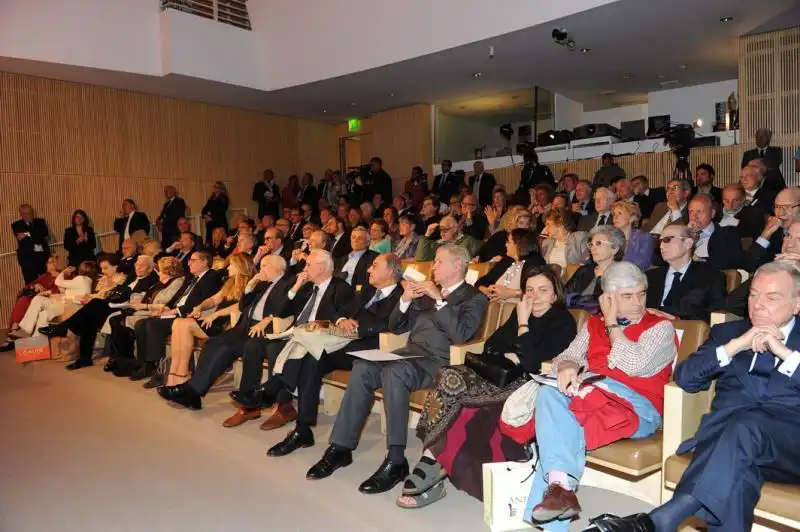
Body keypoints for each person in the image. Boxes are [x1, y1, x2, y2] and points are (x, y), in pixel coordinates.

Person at [589, 261, 800, 532]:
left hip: (789, 448)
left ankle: (657, 521)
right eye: (754, 294)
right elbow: (686, 378)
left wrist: (784, 354)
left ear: (796, 304)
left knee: (746, 426)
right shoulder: (728, 334)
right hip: (730, 445)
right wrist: (735, 347)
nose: (758, 304)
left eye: (771, 297)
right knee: (739, 475)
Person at [305, 245, 489, 493]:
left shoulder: (474, 298)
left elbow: (462, 334)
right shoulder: (423, 294)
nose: (433, 266)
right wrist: (404, 301)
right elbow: (395, 326)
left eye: (438, 262)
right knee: (363, 367)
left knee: (394, 371)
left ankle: (396, 459)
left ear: (457, 266)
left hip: (441, 362)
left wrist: (439, 299)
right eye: (433, 262)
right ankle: (340, 448)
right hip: (408, 353)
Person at [398, 267, 577, 507]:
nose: (535, 296)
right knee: (448, 375)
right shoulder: (519, 312)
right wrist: (514, 351)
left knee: (459, 396)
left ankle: (432, 463)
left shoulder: (563, 321)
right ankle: (432, 458)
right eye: (530, 290)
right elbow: (491, 345)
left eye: (543, 290)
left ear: (555, 295)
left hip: (526, 385)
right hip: (498, 375)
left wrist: (523, 325)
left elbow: (533, 364)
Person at [524, 261, 677, 530]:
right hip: (595, 400)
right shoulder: (593, 325)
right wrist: (569, 365)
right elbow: (568, 354)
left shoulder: (660, 327)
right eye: (628, 296)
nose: (639, 303)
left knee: (559, 430)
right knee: (549, 396)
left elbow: (632, 365)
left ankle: (557, 496)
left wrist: (611, 323)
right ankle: (560, 489)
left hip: (639, 409)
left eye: (641, 294)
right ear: (607, 298)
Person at [251, 254, 405, 457]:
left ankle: (273, 387)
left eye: (375, 266)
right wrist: (342, 319)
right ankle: (302, 428)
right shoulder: (368, 290)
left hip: (368, 349)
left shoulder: (402, 296)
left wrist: (357, 330)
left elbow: (393, 324)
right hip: (341, 344)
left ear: (390, 271)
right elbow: (336, 311)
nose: (368, 270)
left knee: (311, 352)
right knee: (310, 359)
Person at [228, 249, 354, 429]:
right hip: (293, 332)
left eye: (309, 264)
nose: (305, 267)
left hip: (313, 337)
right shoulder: (307, 287)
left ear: (321, 267)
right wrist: (295, 288)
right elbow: (281, 312)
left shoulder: (341, 288)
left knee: (274, 349)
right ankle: (250, 402)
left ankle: (282, 406)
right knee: (253, 345)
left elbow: (339, 320)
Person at [158, 255, 294, 410]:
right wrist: (250, 286)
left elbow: (283, 308)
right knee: (213, 344)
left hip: (263, 329)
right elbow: (243, 306)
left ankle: (192, 391)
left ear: (277, 268)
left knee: (225, 348)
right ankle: (193, 391)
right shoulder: (260, 284)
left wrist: (268, 319)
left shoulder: (287, 283)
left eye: (264, 266)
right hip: (244, 326)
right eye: (261, 265)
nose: (260, 270)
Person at [39, 255, 158, 370]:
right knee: (88, 319)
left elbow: (129, 293)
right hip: (111, 303)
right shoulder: (131, 277)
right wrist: (112, 292)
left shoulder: (149, 279)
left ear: (150, 268)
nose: (137, 267)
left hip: (125, 307)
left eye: (142, 266)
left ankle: (65, 327)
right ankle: (84, 358)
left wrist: (115, 290)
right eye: (137, 264)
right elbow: (117, 291)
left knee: (94, 305)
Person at [161, 254, 256, 388]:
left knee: (185, 324)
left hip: (227, 325)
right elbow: (213, 300)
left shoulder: (251, 283)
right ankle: (174, 373)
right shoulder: (230, 283)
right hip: (214, 321)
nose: (228, 268)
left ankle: (182, 376)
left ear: (241, 266)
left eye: (232, 265)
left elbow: (241, 306)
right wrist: (200, 306)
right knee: (178, 322)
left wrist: (216, 314)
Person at [129, 251, 222, 381]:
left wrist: (175, 311)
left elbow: (201, 301)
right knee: (141, 323)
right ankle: (145, 364)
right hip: (177, 311)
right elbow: (179, 296)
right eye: (189, 260)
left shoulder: (211, 276)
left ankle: (160, 370)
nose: (189, 262)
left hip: (189, 315)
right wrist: (168, 308)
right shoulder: (191, 278)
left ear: (205, 262)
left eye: (193, 260)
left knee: (154, 325)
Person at [105, 256, 186, 374]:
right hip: (147, 309)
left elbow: (164, 301)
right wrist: (134, 299)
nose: (156, 271)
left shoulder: (177, 282)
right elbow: (147, 294)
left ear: (167, 270)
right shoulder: (161, 282)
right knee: (115, 320)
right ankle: (123, 360)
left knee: (126, 322)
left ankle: (137, 363)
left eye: (159, 269)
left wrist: (143, 305)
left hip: (157, 312)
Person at [715, 219, 800, 318]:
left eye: (799, 239)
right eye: (788, 236)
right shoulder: (773, 269)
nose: (790, 244)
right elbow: (732, 303)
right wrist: (773, 272)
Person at [645, 223, 726, 323]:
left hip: (688, 332)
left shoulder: (710, 275)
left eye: (667, 240)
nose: (661, 246)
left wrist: (677, 320)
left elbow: (716, 315)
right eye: (660, 241)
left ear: (688, 243)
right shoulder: (650, 276)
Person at [12, 261, 97, 338]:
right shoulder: (87, 281)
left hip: (68, 307)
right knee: (44, 314)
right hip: (69, 306)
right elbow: (66, 290)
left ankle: (26, 330)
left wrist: (63, 272)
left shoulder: (81, 279)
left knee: (38, 299)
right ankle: (38, 340)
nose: (79, 267)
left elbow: (58, 282)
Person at [2, 255, 63, 352]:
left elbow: (65, 289)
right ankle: (15, 330)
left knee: (35, 302)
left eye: (53, 262)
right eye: (49, 262)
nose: (51, 264)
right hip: (41, 298)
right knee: (24, 299)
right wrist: (35, 285)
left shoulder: (64, 274)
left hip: (54, 299)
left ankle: (14, 336)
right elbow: (29, 286)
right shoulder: (45, 276)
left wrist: (49, 292)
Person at [565, 226, 625, 311]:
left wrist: (574, 300)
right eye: (591, 244)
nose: (592, 248)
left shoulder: (623, 274)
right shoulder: (584, 270)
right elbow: (563, 296)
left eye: (598, 243)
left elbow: (600, 303)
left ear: (614, 248)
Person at [476, 229, 545, 302]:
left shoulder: (535, 262)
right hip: (494, 306)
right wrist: (486, 290)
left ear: (519, 245)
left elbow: (536, 291)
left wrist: (509, 293)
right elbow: (481, 282)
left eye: (508, 242)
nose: (505, 245)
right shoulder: (507, 260)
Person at [745, 187, 800, 271]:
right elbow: (749, 265)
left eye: (788, 207)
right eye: (777, 207)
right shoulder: (773, 232)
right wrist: (766, 234)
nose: (781, 213)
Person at [687, 194, 746, 270]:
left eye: (699, 211)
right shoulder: (682, 233)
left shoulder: (728, 233)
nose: (694, 217)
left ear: (712, 213)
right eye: (691, 212)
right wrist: (685, 234)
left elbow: (728, 263)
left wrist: (698, 260)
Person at [12, 204, 51, 283]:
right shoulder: (16, 224)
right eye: (23, 213)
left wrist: (26, 234)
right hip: (27, 258)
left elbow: (44, 233)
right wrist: (35, 233)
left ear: (32, 212)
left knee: (45, 281)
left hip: (42, 256)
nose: (26, 215)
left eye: (28, 213)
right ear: (20, 214)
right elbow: (19, 236)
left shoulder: (40, 222)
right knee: (31, 283)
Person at [416, 215, 480, 262]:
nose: (442, 233)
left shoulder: (467, 240)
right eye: (440, 230)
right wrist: (427, 234)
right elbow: (420, 259)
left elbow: (476, 260)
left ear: (455, 229)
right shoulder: (438, 243)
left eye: (445, 230)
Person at [611, 200, 653, 271]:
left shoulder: (644, 237)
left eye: (620, 213)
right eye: (614, 214)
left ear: (632, 218)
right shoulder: (610, 238)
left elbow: (643, 263)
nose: (615, 217)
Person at [741, 127, 785, 192]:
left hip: (773, 183)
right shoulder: (748, 154)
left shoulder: (776, 150)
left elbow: (775, 163)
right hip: (754, 185)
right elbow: (744, 169)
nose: (760, 138)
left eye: (762, 136)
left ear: (769, 138)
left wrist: (756, 168)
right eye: (758, 136)